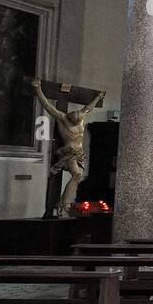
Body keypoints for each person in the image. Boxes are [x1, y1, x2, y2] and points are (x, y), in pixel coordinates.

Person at [31, 79, 105, 216]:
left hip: (79, 153)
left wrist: (98, 97)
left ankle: (62, 203)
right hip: (68, 152)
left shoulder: (81, 117)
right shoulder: (62, 118)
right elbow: (47, 106)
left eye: (78, 114)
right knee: (77, 174)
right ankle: (64, 204)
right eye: (75, 114)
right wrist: (38, 89)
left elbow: (89, 107)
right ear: (70, 116)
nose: (77, 115)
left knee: (79, 176)